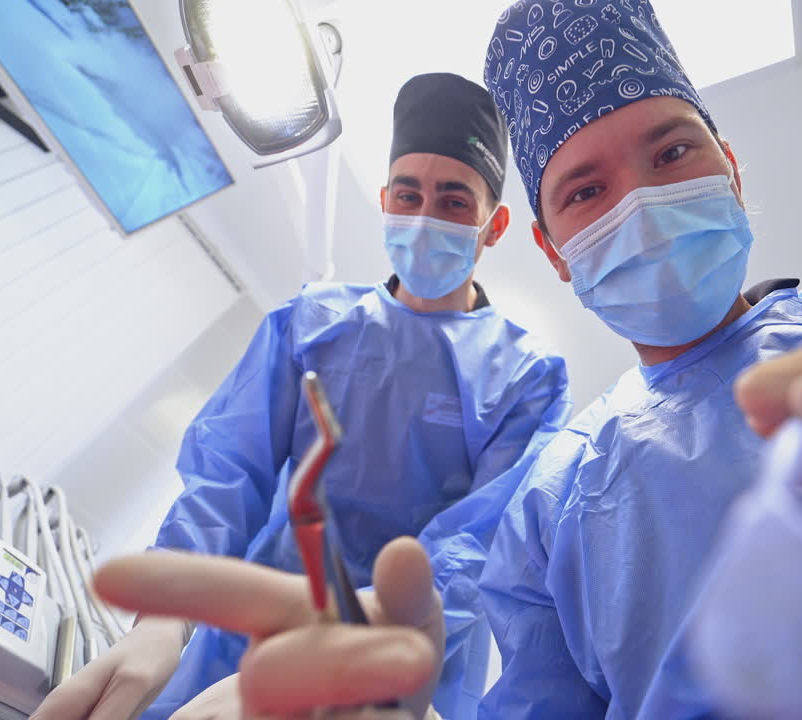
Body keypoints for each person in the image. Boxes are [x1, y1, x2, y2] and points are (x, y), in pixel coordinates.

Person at [88, 2, 802, 718]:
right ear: (558, 255)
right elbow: (244, 485)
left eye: (671, 152)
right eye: (584, 189)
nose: (644, 205)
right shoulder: (557, 498)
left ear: (731, 168)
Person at [32, 73, 571, 720]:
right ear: (384, 201)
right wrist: (164, 620)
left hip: (398, 667)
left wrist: (375, 636)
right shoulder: (310, 324)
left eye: (455, 201)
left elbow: (477, 542)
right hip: (244, 644)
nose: (425, 216)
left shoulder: (527, 376)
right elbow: (229, 474)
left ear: (495, 224)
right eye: (409, 193)